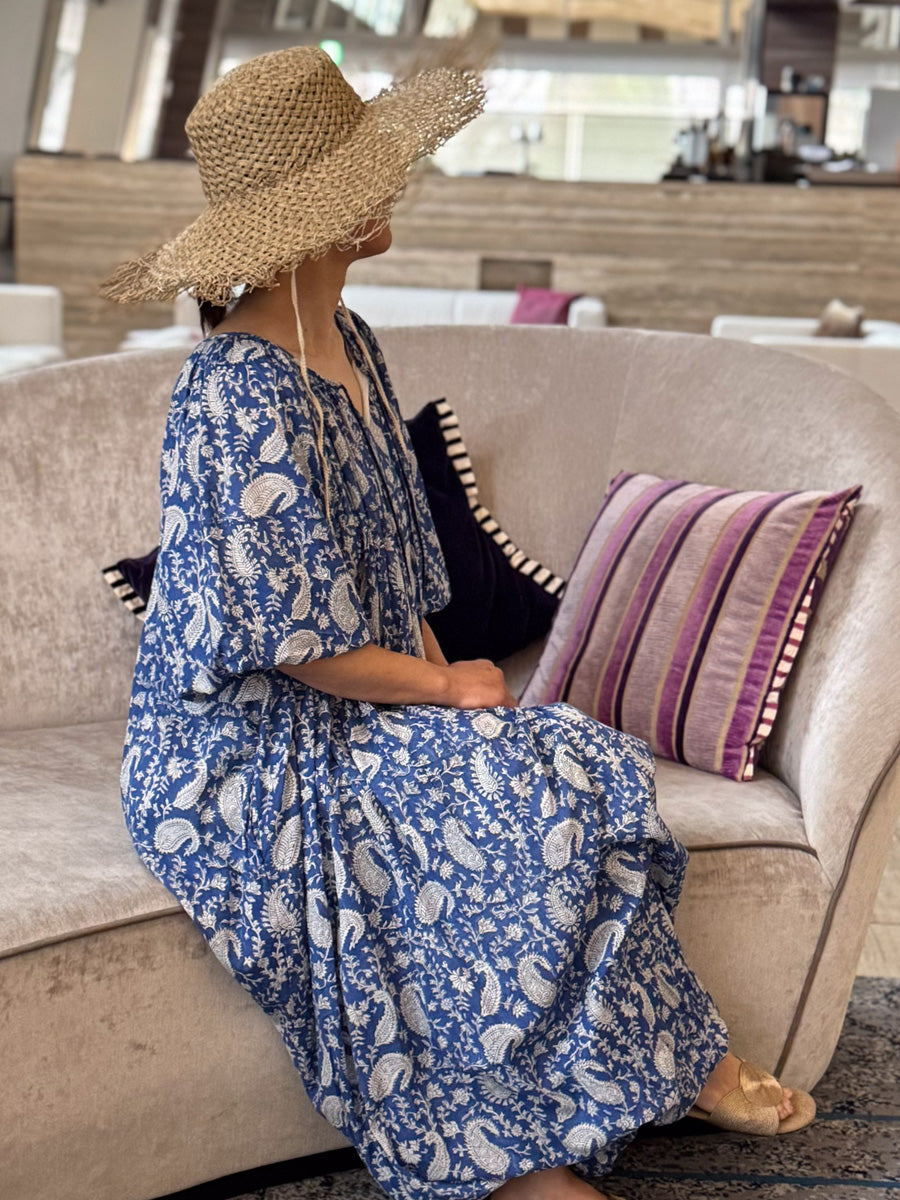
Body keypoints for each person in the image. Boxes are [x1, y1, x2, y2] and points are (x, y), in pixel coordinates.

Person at [101, 46, 815, 1200]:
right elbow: (298, 644)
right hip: (239, 751)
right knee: (470, 808)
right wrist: (444, 695)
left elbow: (398, 576)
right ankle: (512, 1164)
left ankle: (657, 1065)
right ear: (311, 219)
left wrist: (459, 705)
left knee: (570, 761)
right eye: (362, 173)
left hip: (359, 702)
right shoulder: (234, 394)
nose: (391, 183)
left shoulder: (354, 345)